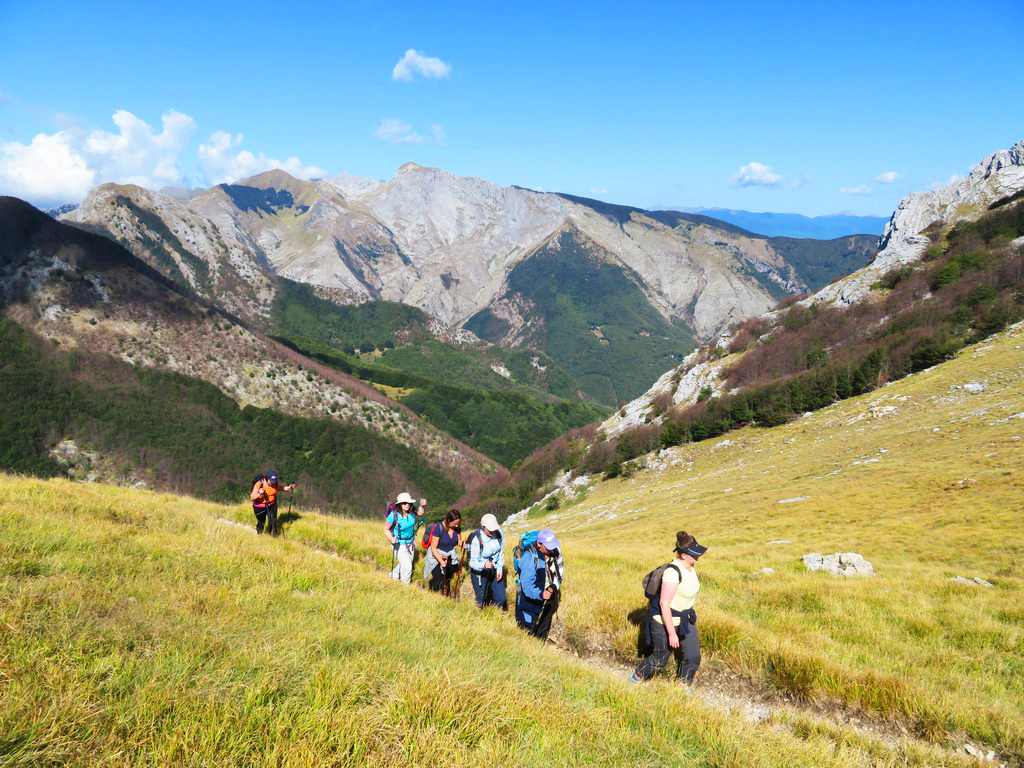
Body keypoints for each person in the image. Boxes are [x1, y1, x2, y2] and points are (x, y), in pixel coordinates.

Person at [630, 531, 706, 687]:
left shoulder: (691, 567)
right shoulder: (673, 573)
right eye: (695, 553)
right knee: (660, 658)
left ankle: (681, 686)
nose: (699, 556)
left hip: (685, 619)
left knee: (692, 656)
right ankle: (636, 677)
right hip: (664, 621)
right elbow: (664, 605)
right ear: (684, 555)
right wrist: (672, 633)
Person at [515, 529, 564, 640]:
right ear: (539, 544)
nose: (551, 549)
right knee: (526, 632)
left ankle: (540, 645)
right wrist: (541, 594)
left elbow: (560, 574)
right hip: (530, 601)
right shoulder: (529, 557)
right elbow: (527, 587)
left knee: (543, 629)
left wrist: (553, 588)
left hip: (547, 595)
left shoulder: (555, 552)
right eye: (548, 546)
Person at [383, 492, 425, 583]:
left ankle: (393, 576)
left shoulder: (411, 512)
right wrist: (391, 538)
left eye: (409, 503)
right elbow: (385, 529)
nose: (407, 505)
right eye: (404, 503)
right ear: (400, 504)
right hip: (399, 544)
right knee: (408, 567)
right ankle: (404, 587)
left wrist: (421, 505)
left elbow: (420, 513)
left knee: (404, 564)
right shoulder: (394, 516)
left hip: (411, 543)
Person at [468, 513, 507, 609]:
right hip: (479, 573)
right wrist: (484, 564)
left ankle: (495, 614)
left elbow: (501, 554)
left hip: (495, 568)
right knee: (482, 600)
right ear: (482, 526)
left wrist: (499, 570)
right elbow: (472, 562)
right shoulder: (477, 539)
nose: (492, 532)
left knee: (501, 598)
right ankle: (483, 617)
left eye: (494, 529)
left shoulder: (498, 534)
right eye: (490, 530)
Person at [424, 509, 463, 595]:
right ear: (448, 520)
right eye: (454, 524)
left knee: (448, 579)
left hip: (450, 556)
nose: (456, 526)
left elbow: (458, 541)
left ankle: (445, 597)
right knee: (440, 580)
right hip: (436, 557)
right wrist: (441, 561)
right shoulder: (439, 529)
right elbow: (433, 548)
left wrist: (463, 544)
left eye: (458, 523)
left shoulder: (457, 529)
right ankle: (433, 594)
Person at [250, 471, 296, 535]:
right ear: (266, 479)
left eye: (273, 481)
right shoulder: (259, 484)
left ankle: (273, 536)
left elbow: (280, 488)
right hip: (260, 506)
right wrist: (259, 493)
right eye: (270, 481)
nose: (272, 483)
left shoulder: (275, 483)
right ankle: (259, 534)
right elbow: (252, 497)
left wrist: (289, 487)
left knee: (273, 521)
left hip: (272, 504)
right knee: (261, 522)